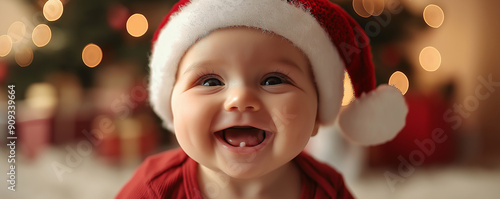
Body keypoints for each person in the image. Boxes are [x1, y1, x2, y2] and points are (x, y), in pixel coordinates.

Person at [117, 0, 408, 198]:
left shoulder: (327, 190)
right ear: (171, 107)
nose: (240, 99)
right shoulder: (154, 188)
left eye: (273, 80)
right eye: (210, 81)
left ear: (318, 114)